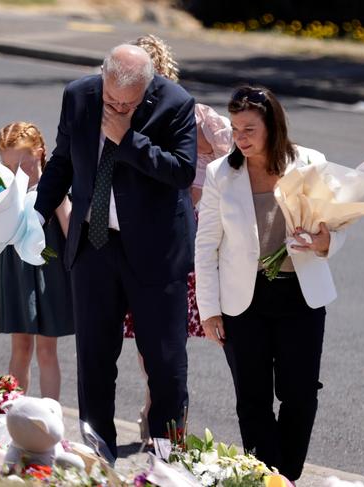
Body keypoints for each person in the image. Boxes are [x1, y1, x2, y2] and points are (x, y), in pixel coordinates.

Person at [35, 43, 197, 459]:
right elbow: (63, 160)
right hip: (94, 242)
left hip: (155, 250)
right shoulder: (79, 96)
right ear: (101, 78)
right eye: (111, 99)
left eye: (129, 102)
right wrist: (34, 216)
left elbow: (182, 171)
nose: (118, 106)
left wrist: (128, 140)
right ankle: (97, 447)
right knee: (94, 355)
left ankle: (167, 456)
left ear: (149, 87)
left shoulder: (176, 104)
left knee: (164, 362)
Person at [194, 85, 346, 482]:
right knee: (252, 399)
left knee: (300, 394)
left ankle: (284, 475)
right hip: (244, 300)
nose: (239, 139)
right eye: (235, 129)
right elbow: (206, 244)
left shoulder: (310, 162)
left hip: (300, 295)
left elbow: (336, 222)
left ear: (272, 126)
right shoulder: (220, 174)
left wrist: (326, 240)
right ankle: (266, 478)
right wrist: (208, 309)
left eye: (248, 129)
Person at [124, 34, 232, 443]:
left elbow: (236, 158)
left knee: (172, 343)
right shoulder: (127, 115)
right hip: (148, 238)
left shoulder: (196, 116)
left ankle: (168, 419)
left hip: (192, 241)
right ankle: (156, 406)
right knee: (148, 336)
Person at [0, 122, 73, 401]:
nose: (15, 173)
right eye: (8, 166)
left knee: (46, 350)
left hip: (48, 273)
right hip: (16, 272)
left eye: (21, 164)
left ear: (39, 153)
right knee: (20, 347)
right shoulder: (3, 189)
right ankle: (12, 412)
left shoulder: (54, 187)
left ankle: (49, 415)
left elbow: (69, 228)